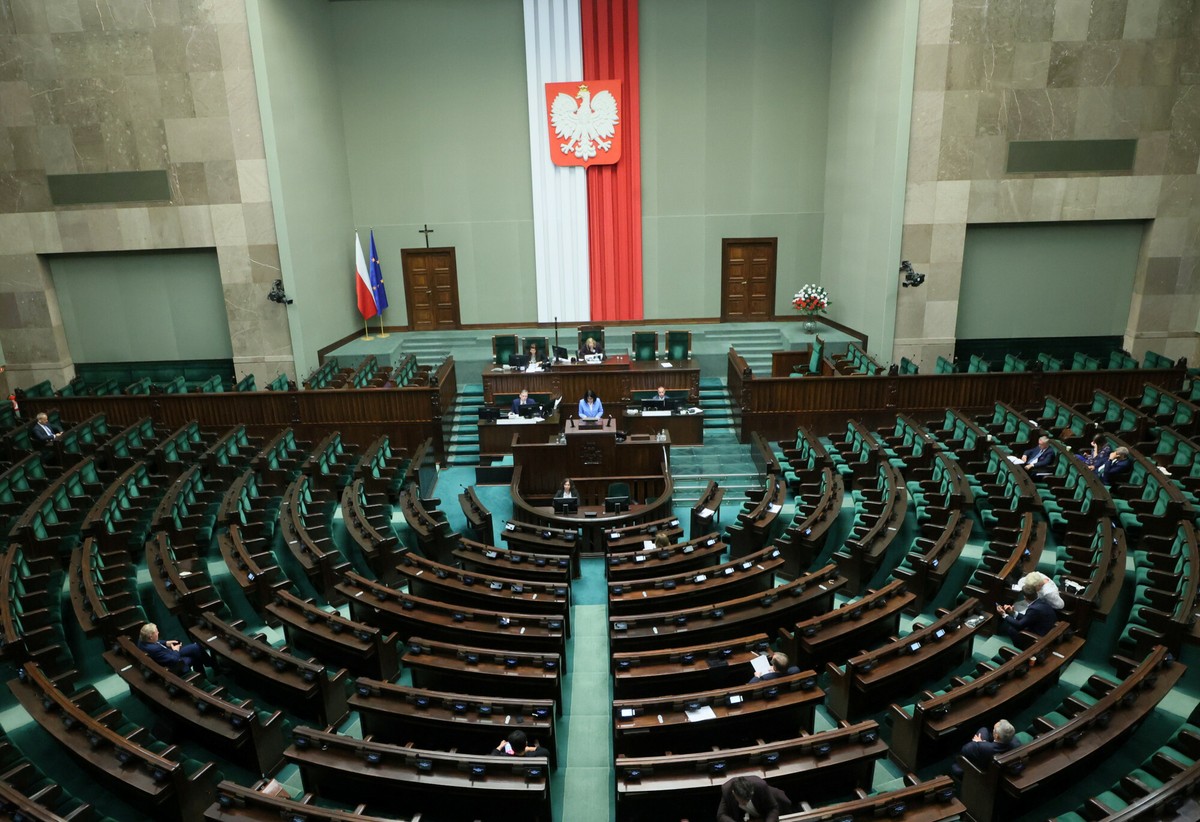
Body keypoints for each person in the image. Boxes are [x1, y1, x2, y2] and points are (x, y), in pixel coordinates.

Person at [138, 622, 217, 676]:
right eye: (156, 632)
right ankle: (211, 667)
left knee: (196, 647)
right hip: (173, 666)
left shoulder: (143, 640)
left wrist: (166, 643)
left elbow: (157, 642)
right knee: (194, 656)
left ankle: (210, 665)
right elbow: (174, 659)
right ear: (151, 637)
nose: (158, 632)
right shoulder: (154, 649)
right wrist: (176, 649)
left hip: (168, 653)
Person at [950, 719, 1017, 778]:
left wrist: (978, 743)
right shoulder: (1015, 743)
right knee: (983, 729)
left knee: (955, 767)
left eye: (994, 729)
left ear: (996, 736)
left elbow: (965, 749)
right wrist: (983, 742)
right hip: (994, 758)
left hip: (982, 769)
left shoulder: (980, 747)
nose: (993, 730)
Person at [717, 775, 795, 822]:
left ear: (752, 792)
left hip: (771, 804)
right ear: (734, 793)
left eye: (748, 800)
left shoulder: (760, 786)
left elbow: (773, 808)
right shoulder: (727, 790)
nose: (745, 804)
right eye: (742, 801)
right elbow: (721, 815)